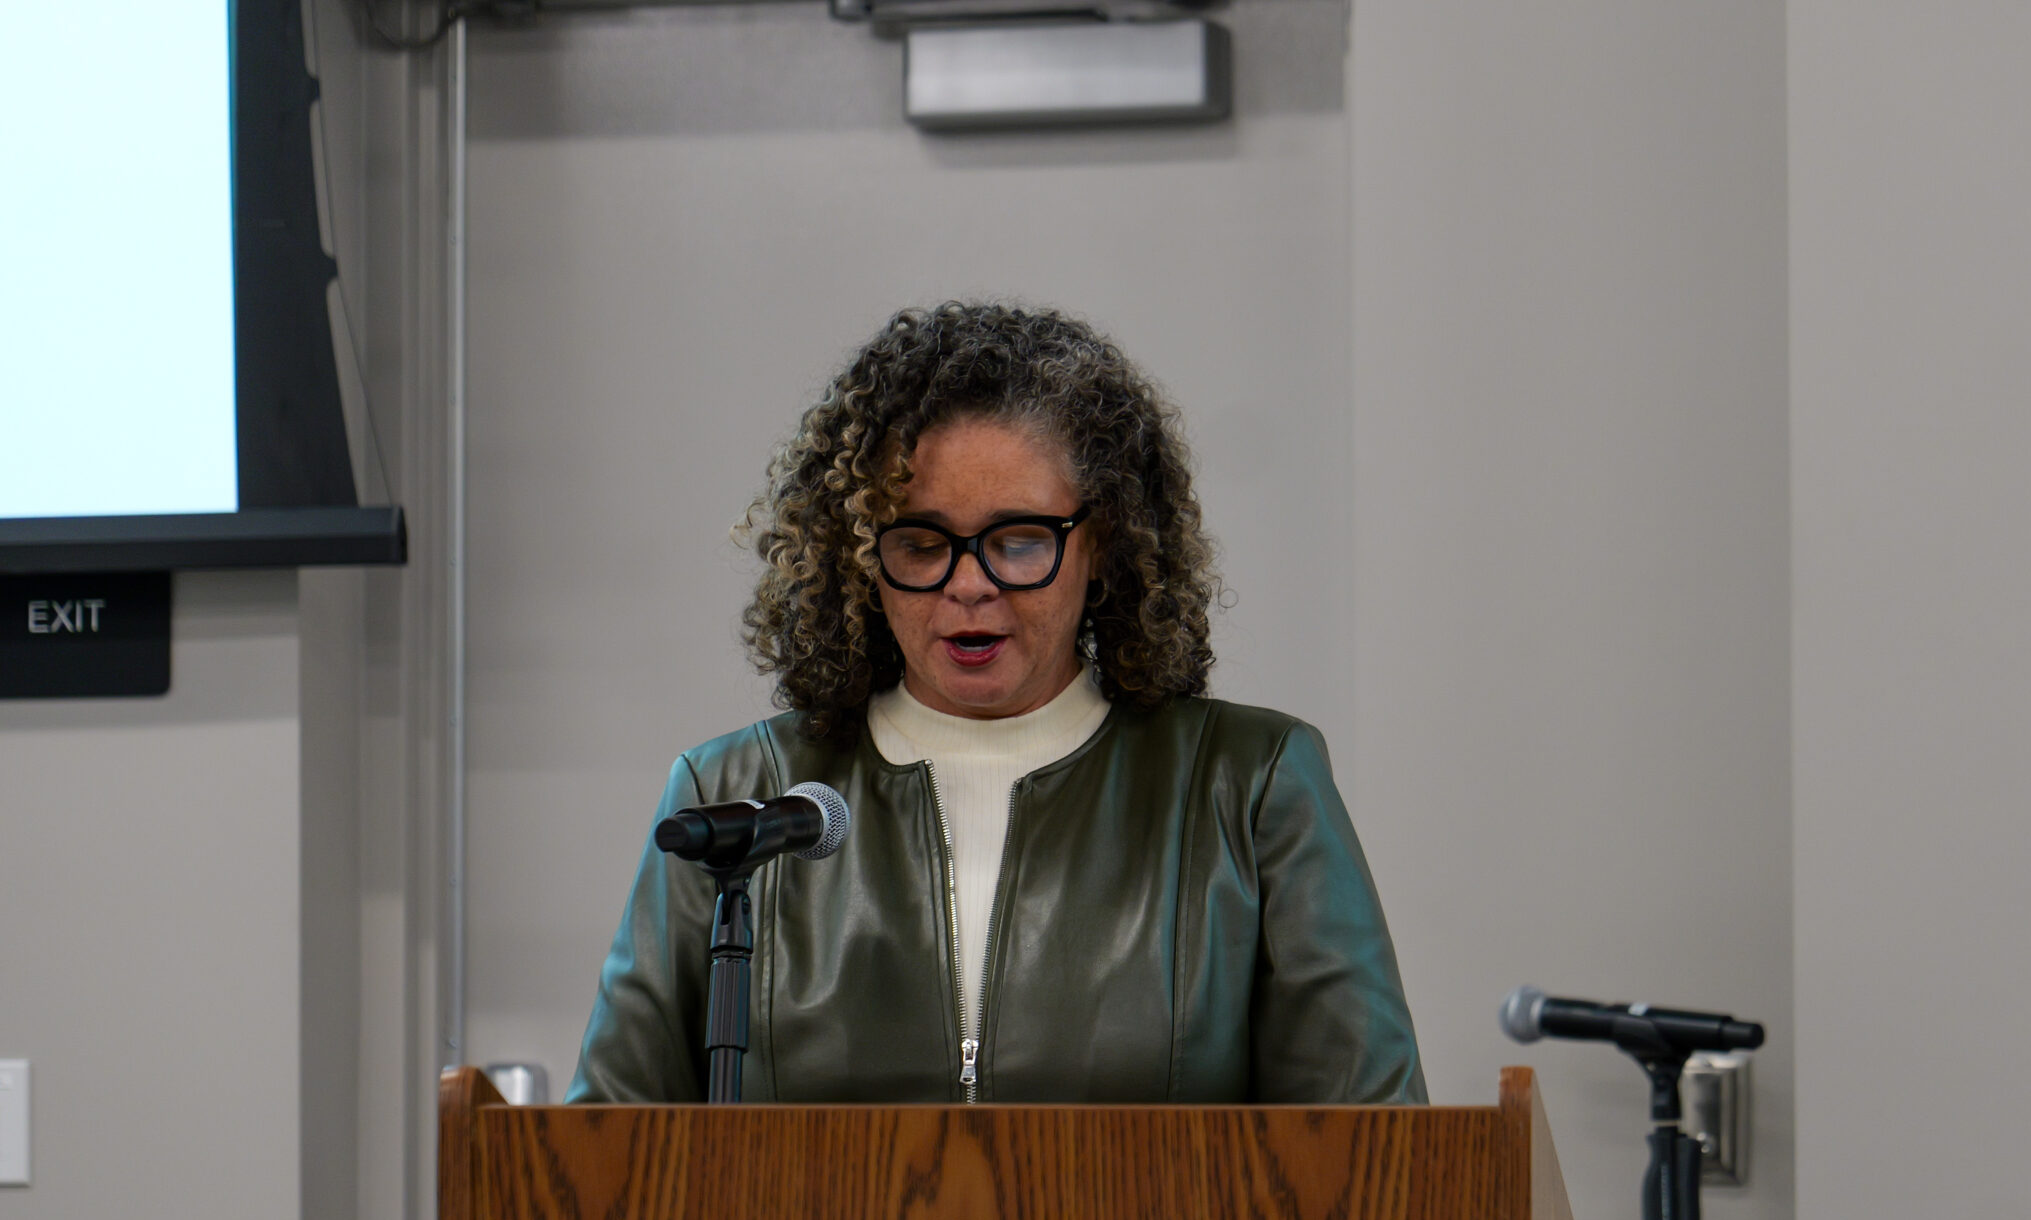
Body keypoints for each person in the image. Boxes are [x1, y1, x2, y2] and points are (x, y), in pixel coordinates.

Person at [568, 302, 1424, 1104]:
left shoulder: (1250, 789)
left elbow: (1377, 1167)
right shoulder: (734, 798)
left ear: (1105, 540)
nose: (969, 585)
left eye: (1018, 541)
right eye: (920, 542)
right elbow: (598, 1169)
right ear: (861, 556)